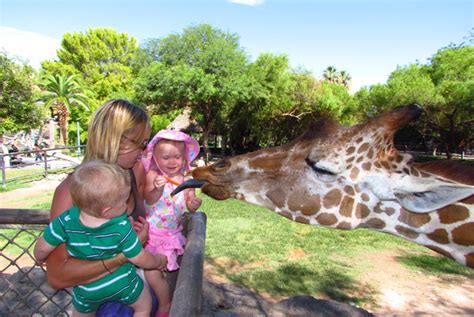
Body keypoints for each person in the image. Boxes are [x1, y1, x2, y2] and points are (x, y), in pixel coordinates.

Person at [45, 99, 157, 316]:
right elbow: (57, 277)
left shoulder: (135, 172)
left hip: (136, 291)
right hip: (98, 303)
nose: (143, 152)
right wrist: (126, 254)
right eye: (140, 144)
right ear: (116, 139)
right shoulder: (70, 192)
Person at [34, 160, 167, 317]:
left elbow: (42, 248)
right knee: (144, 306)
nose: (126, 206)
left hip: (87, 290)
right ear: (106, 211)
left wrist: (39, 257)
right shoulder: (121, 226)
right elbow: (140, 258)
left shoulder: (66, 221)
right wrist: (158, 261)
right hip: (123, 284)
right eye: (124, 201)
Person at [141, 130, 202, 317]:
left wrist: (193, 204)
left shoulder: (186, 181)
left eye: (177, 157)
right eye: (166, 157)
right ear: (156, 158)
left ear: (185, 158)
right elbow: (149, 199)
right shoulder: (152, 175)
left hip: (171, 236)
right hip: (151, 235)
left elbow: (190, 205)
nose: (172, 162)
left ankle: (163, 305)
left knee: (162, 273)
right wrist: (157, 189)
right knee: (151, 273)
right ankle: (163, 304)